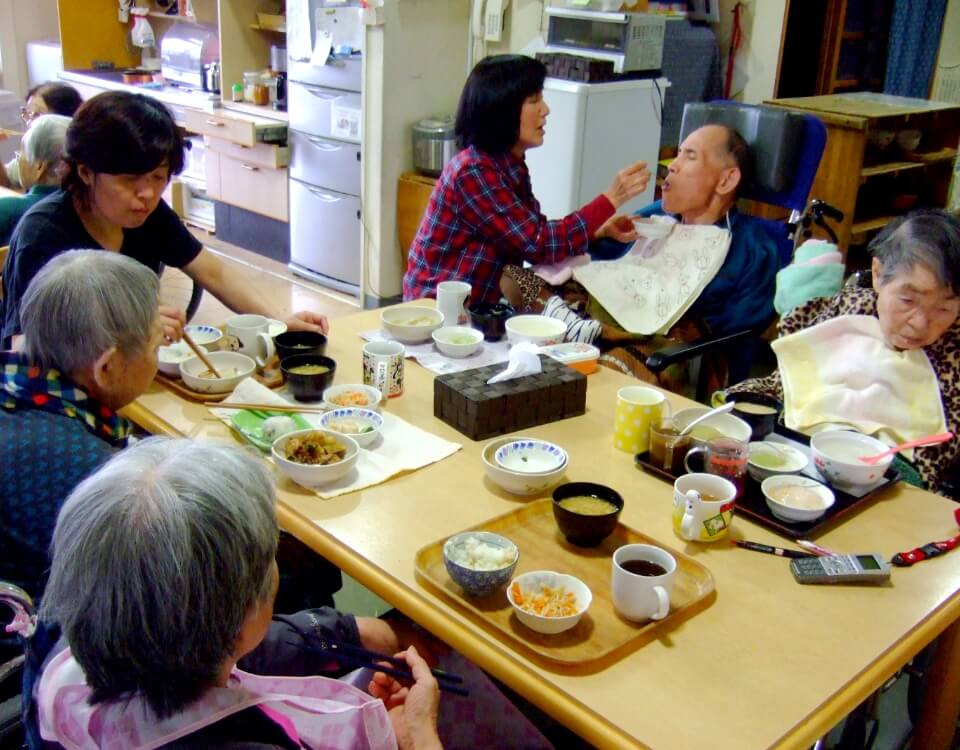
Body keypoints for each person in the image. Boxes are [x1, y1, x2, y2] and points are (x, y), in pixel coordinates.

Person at [29, 439, 554, 750]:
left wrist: (342, 631)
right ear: (240, 622)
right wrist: (418, 739)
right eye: (270, 556)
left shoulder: (62, 651)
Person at [0, 91, 328, 348]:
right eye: (130, 179)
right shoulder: (44, 232)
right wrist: (125, 327)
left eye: (159, 177)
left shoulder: (148, 215)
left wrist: (278, 322)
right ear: (85, 172)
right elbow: (22, 345)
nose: (147, 194)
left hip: (129, 380)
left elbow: (213, 272)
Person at [502, 123, 781, 389]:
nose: (672, 165)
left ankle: (586, 332)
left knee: (609, 371)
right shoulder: (656, 217)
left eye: (690, 156)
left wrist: (673, 317)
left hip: (663, 344)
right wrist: (600, 234)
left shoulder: (753, 248)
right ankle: (579, 327)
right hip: (598, 311)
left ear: (726, 180)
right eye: (678, 154)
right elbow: (598, 264)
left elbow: (738, 329)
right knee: (512, 277)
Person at [727, 209, 960, 495]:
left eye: (944, 308)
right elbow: (790, 378)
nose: (921, 322)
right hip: (801, 444)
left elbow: (940, 450)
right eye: (908, 299)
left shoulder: (952, 349)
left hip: (895, 469)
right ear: (878, 275)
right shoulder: (848, 309)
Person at [403, 54, 649, 306]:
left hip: (486, 299)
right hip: (442, 309)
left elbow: (533, 234)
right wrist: (611, 199)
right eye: (534, 100)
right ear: (503, 110)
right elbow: (539, 242)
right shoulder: (473, 171)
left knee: (565, 297)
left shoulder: (509, 164)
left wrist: (599, 230)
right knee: (549, 297)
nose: (546, 110)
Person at [0, 250, 161, 603]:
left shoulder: (14, 391)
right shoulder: (96, 479)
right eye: (155, 345)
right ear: (107, 368)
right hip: (40, 639)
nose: (156, 358)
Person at [0, 114, 70, 245]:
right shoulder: (84, 205)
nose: (19, 160)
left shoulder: (8, 208)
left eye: (20, 154)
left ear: (39, 166)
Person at [0, 82, 81, 189]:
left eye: (37, 115)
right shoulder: (34, 150)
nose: (29, 123)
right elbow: (6, 181)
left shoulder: (73, 162)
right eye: (27, 113)